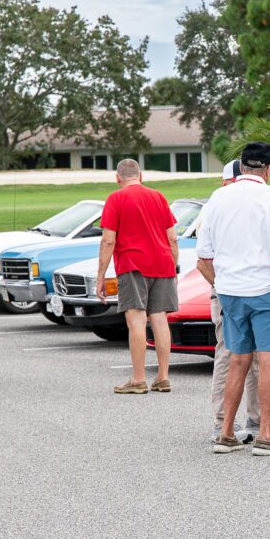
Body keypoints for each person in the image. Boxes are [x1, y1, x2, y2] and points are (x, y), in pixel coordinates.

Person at [207, 142, 270, 456]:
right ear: (269, 169)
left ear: (242, 165)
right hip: (265, 288)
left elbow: (204, 253)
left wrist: (221, 281)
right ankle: (266, 434)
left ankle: (226, 433)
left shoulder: (219, 196)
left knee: (237, 359)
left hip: (230, 290)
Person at [96, 159, 179, 395]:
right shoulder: (158, 197)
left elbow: (108, 240)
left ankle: (139, 379)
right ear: (140, 176)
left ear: (117, 178)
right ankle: (163, 377)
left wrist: (101, 276)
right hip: (163, 264)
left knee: (137, 321)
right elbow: (172, 237)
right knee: (160, 319)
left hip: (132, 265)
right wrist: (173, 267)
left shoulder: (116, 198)